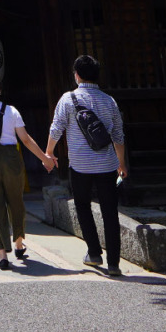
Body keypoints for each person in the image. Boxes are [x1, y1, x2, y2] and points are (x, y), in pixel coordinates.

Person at [47, 54, 129, 277]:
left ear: (77, 75)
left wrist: (49, 152)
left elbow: (56, 129)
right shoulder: (109, 100)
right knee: (110, 212)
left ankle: (94, 252)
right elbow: (118, 136)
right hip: (107, 165)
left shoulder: (68, 99)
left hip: (80, 165)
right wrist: (121, 164)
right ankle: (114, 263)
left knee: (82, 206)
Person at [0, 70, 54, 271]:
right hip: (11, 159)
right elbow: (25, 139)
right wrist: (45, 159)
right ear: (0, 90)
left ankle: (2, 254)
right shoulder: (11, 111)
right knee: (16, 201)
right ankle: (19, 244)